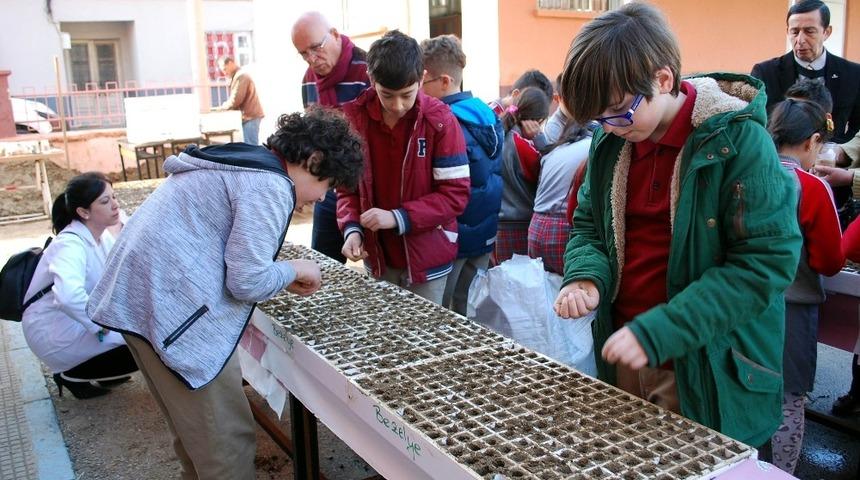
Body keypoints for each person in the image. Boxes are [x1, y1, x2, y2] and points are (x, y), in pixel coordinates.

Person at [553, 2, 802, 449]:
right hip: (627, 349)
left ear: (663, 80)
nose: (608, 127)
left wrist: (661, 331)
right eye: (598, 118)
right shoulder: (612, 141)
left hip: (710, 366)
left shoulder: (739, 142)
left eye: (617, 111)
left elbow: (764, 265)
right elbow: (589, 224)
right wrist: (587, 277)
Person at [87, 108, 364, 479]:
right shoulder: (270, 183)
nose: (321, 198)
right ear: (312, 160)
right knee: (226, 447)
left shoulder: (243, 161)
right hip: (171, 319)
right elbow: (246, 281)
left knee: (195, 438)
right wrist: (293, 270)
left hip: (139, 303)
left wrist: (277, 274)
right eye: (326, 185)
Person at [337, 30, 470, 305]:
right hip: (378, 257)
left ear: (422, 78)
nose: (398, 105)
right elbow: (346, 188)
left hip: (429, 260)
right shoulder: (353, 119)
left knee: (426, 336)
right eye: (387, 95)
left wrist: (399, 217)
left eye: (407, 95)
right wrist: (351, 228)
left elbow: (455, 194)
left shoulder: (441, 121)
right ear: (371, 81)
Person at [767, 98, 843, 474]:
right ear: (813, 141)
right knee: (788, 400)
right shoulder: (811, 188)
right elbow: (830, 260)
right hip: (792, 311)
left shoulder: (742, 176)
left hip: (738, 305)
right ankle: (779, 472)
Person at [23, 172, 138, 399]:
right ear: (84, 212)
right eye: (105, 201)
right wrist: (101, 328)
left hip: (73, 324)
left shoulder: (101, 237)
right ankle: (72, 373)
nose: (115, 205)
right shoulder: (69, 244)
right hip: (55, 334)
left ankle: (102, 370)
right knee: (144, 342)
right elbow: (68, 296)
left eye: (114, 197)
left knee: (141, 329)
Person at [420, 34, 503, 315]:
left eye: (422, 81)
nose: (418, 90)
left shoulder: (444, 120)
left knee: (443, 313)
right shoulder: (487, 114)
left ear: (444, 81)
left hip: (453, 237)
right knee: (470, 308)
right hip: (485, 232)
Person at [292, 11, 371, 264]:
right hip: (328, 188)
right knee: (323, 265)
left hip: (367, 188)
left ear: (335, 34)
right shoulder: (307, 80)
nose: (312, 59)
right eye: (303, 54)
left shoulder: (367, 70)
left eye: (316, 47)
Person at [751, 0, 860, 144]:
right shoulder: (765, 72)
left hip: (831, 162)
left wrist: (841, 153)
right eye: (794, 32)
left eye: (809, 31)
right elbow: (753, 124)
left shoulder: (853, 74)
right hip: (779, 161)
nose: (800, 40)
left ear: (826, 32)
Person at [528, 113, 591, 275]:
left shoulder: (555, 150)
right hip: (562, 228)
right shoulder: (592, 147)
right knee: (568, 292)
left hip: (535, 227)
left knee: (544, 289)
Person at [495, 87, 549, 264]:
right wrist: (540, 140)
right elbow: (546, 174)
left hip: (499, 225)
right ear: (537, 121)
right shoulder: (523, 146)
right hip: (519, 225)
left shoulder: (499, 135)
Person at [213, 56, 265, 145]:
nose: (225, 73)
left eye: (225, 69)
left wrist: (222, 107)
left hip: (250, 116)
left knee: (251, 148)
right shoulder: (239, 75)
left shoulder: (241, 76)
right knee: (250, 146)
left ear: (230, 63)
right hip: (249, 116)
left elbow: (236, 99)